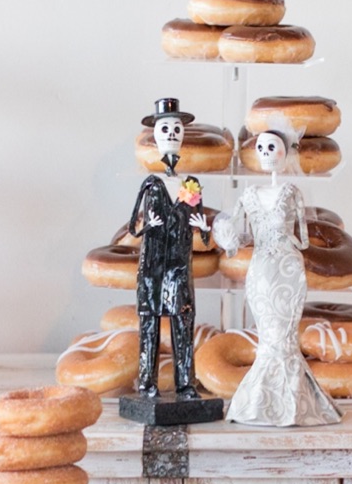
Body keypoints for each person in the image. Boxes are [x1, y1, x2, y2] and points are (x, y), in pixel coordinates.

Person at [213, 128, 339, 426]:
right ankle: (261, 403)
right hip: (260, 270)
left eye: (273, 147)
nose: (267, 152)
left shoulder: (291, 192)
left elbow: (303, 240)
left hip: (289, 269)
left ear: (285, 152)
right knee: (268, 335)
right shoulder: (248, 195)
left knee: (285, 335)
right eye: (261, 147)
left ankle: (292, 403)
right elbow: (236, 235)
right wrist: (225, 234)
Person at [127, 99, 214, 398]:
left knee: (182, 323)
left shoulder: (190, 184)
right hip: (151, 269)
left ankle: (185, 384)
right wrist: (148, 226)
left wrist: (204, 230)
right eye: (166, 128)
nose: (172, 133)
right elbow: (132, 228)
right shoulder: (150, 184)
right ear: (156, 134)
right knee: (149, 326)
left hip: (179, 267)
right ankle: (147, 384)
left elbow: (202, 233)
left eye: (177, 128)